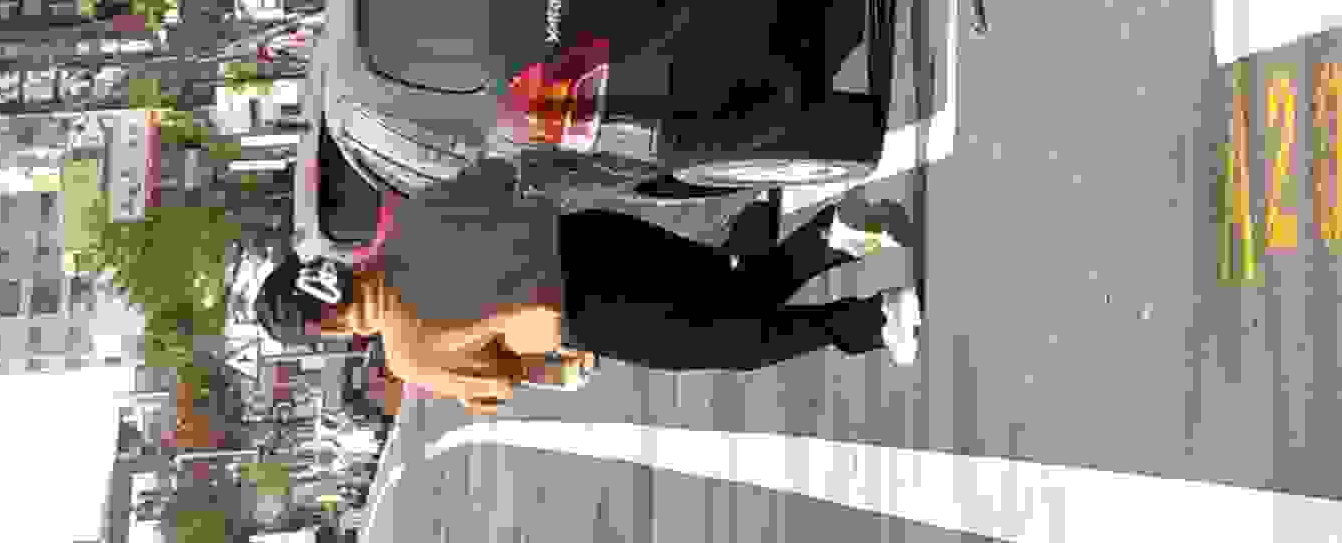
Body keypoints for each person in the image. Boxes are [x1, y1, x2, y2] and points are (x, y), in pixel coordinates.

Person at [239, 200, 916, 411]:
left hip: (586, 309)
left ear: (328, 328)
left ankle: (875, 318)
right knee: (734, 291)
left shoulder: (408, 352)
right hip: (586, 233)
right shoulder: (401, 223)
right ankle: (834, 237)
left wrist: (552, 369)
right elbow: (493, 179)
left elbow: (500, 380)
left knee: (738, 341)